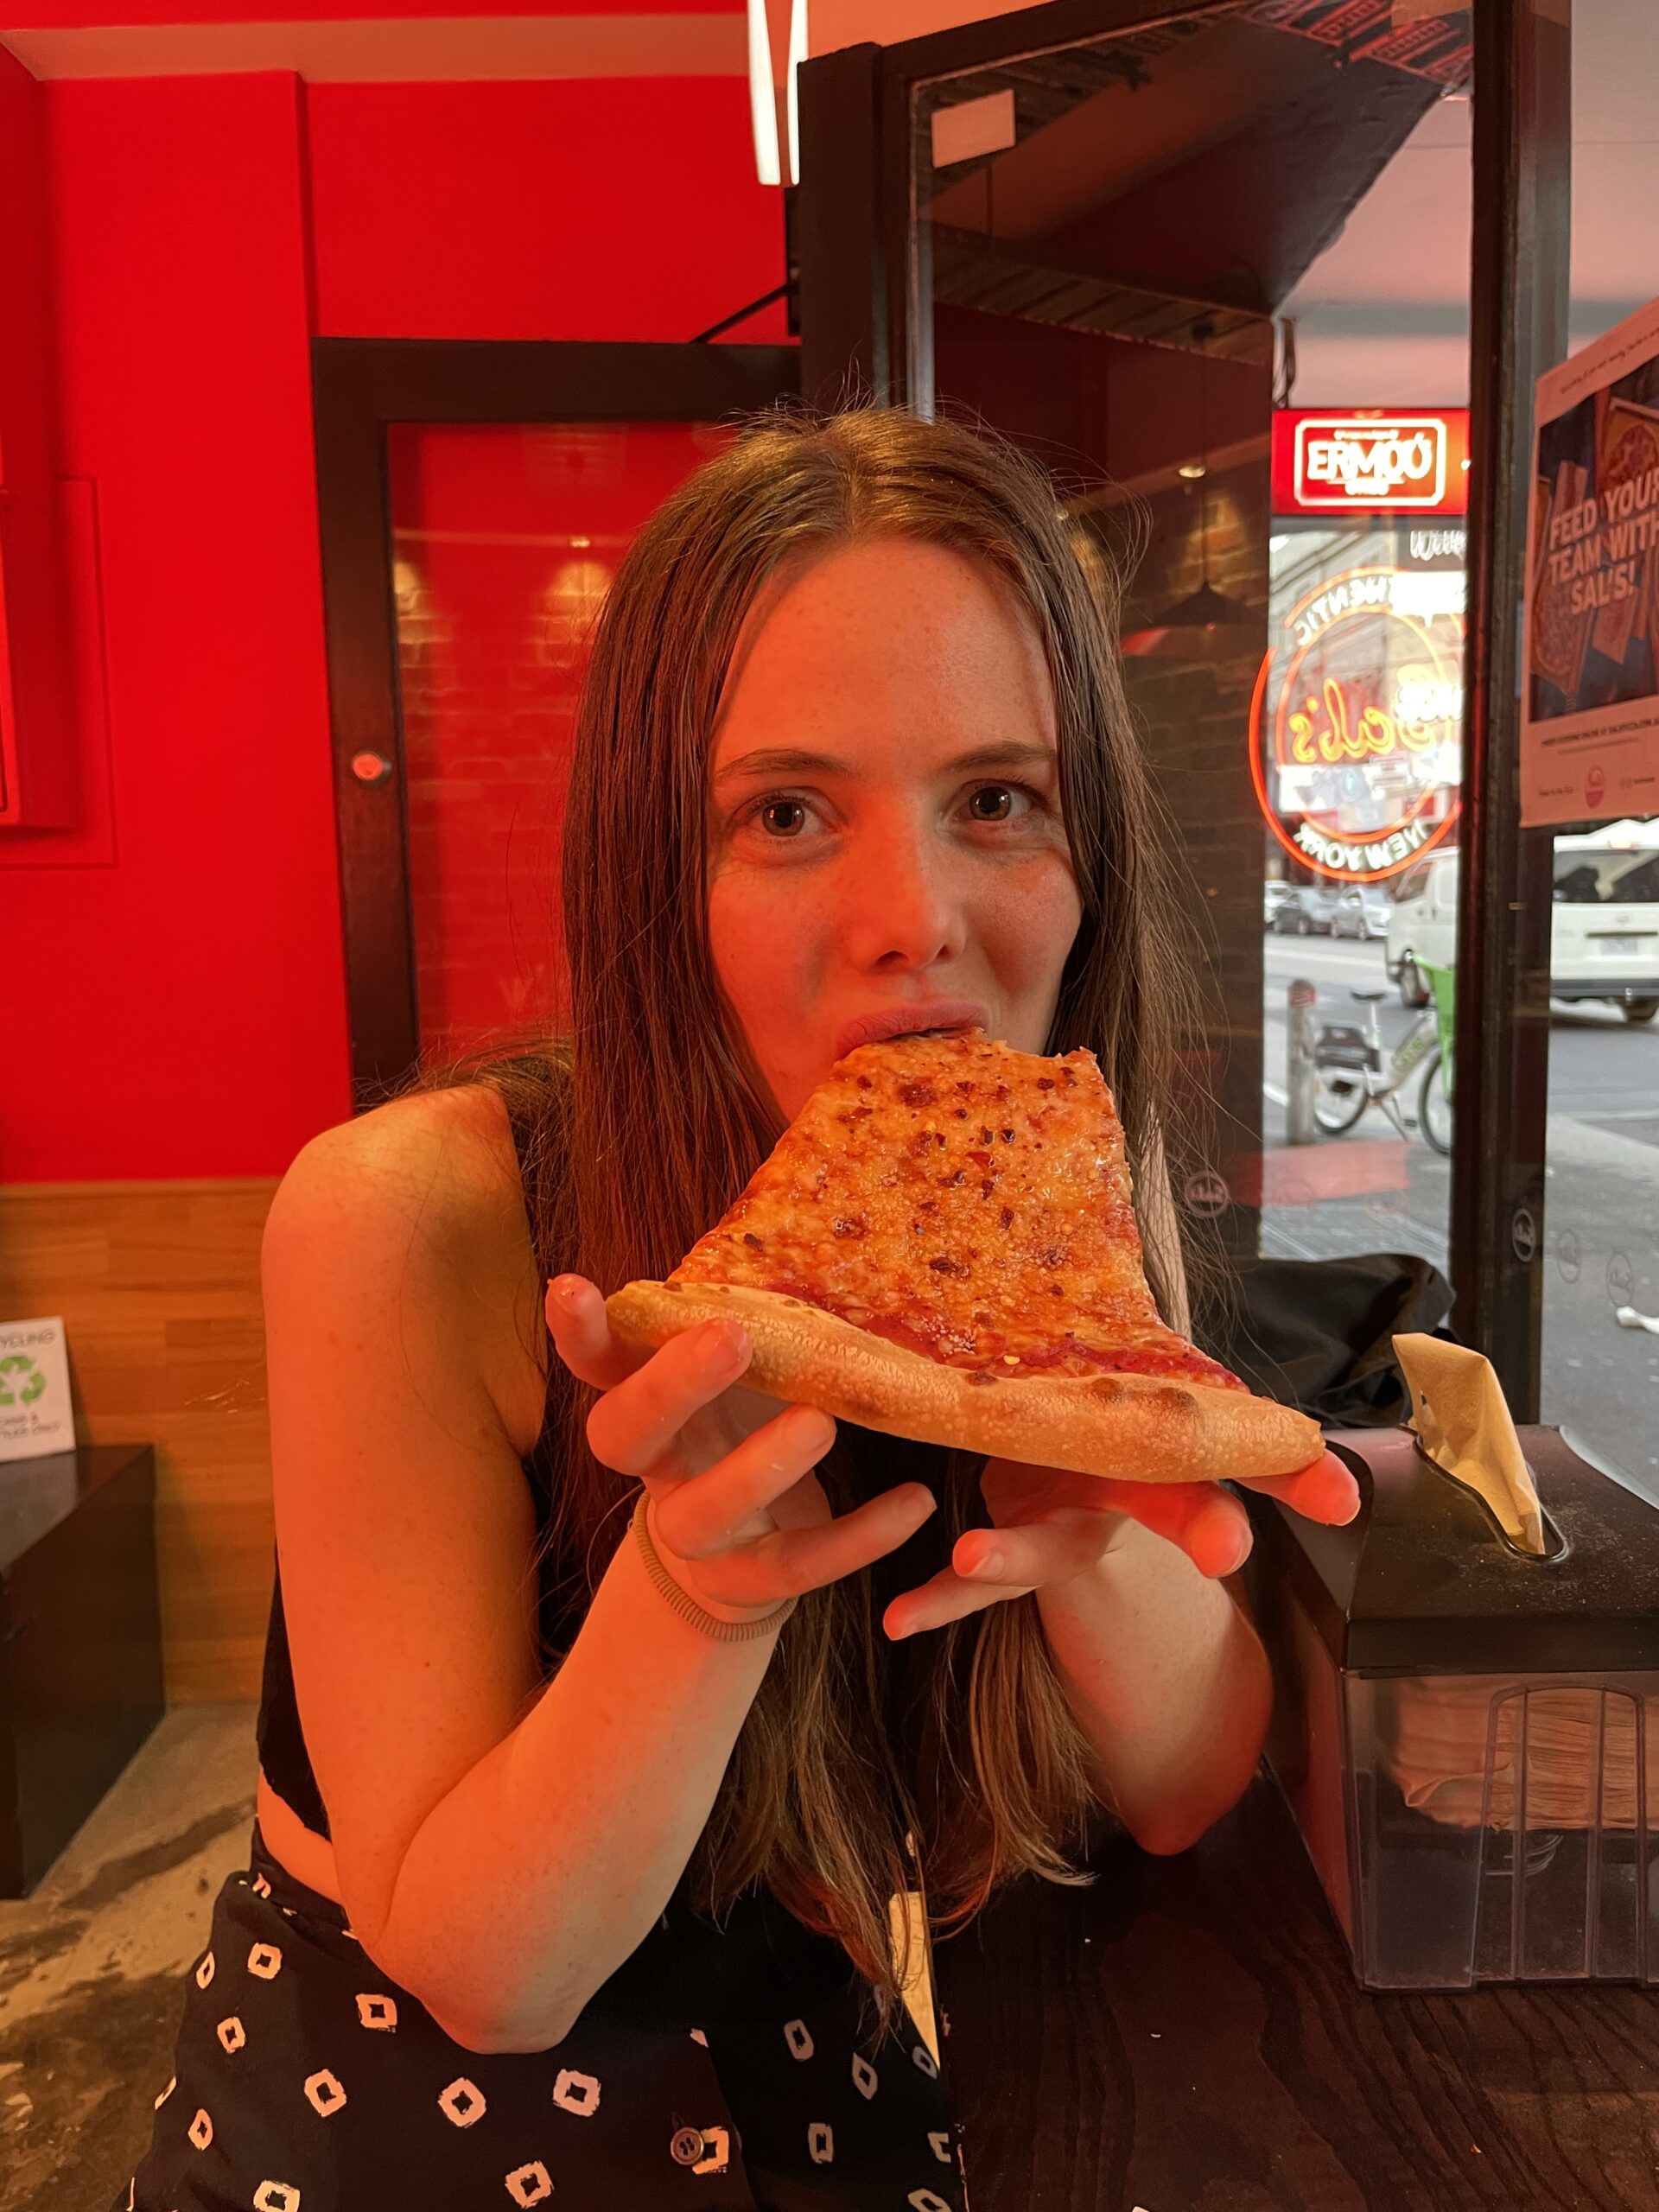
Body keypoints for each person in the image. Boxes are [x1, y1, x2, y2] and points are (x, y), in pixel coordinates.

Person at [120, 405, 1357, 2212]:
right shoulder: (411, 1218)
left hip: (827, 2084)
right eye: (787, 812)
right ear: (656, 872)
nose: (912, 919)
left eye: (995, 800)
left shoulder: (1059, 1198)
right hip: (398, 2122)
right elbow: (486, 1969)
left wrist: (1096, 1543)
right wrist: (694, 1588)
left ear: (1084, 852)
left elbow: (1182, 1789)